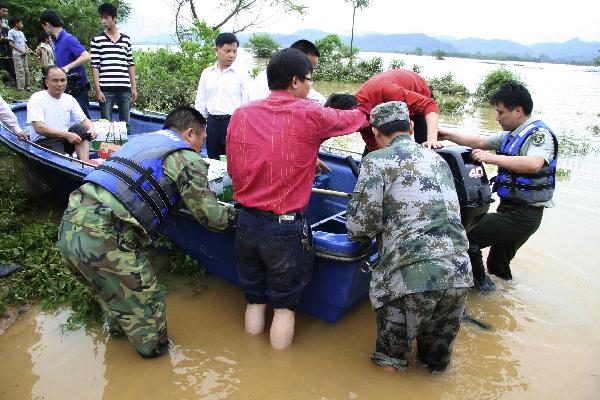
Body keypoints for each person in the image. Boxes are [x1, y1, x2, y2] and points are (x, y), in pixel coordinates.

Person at [57, 106, 238, 358]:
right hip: (105, 237)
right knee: (148, 312)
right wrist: (243, 217)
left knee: (114, 299)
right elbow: (212, 217)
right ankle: (155, 367)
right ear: (190, 134)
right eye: (202, 139)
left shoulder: (142, 140)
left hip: (70, 228)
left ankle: (117, 356)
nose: (201, 147)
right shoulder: (185, 157)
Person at [226, 48, 371, 349]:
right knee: (283, 309)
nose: (310, 87)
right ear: (295, 82)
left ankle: (249, 364)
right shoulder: (311, 113)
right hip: (284, 230)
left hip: (247, 223)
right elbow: (356, 118)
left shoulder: (242, 113)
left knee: (254, 301)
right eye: (309, 80)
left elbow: (240, 161)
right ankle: (278, 374)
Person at [346, 101, 472, 373]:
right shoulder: (438, 160)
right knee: (435, 366)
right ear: (412, 128)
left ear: (377, 134)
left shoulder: (376, 160)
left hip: (410, 276)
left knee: (390, 365)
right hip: (459, 273)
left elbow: (359, 227)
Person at [438, 82, 558, 292]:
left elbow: (534, 163)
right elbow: (480, 142)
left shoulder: (539, 135)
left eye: (501, 112)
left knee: (466, 237)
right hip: (512, 211)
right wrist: (446, 134)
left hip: (523, 216)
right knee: (497, 265)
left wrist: (490, 159)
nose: (497, 118)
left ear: (518, 111)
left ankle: (482, 290)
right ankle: (503, 299)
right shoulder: (511, 135)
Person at [326, 68, 442, 151]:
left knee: (424, 147)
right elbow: (374, 148)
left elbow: (429, 105)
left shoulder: (385, 90)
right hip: (386, 109)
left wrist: (432, 139)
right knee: (371, 157)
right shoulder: (359, 118)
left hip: (418, 95)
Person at [194, 32, 250, 159]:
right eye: (227, 51)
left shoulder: (242, 74)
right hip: (212, 124)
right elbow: (200, 103)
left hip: (233, 124)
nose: (232, 55)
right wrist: (199, 127)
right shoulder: (207, 73)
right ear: (216, 50)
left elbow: (248, 103)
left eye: (235, 51)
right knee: (213, 161)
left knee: (234, 161)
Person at [27, 65, 96, 162]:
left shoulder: (69, 99)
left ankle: (84, 164)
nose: (60, 84)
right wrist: (67, 135)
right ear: (47, 83)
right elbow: (39, 128)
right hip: (45, 140)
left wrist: (91, 129)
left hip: (66, 139)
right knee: (61, 161)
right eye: (55, 80)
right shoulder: (37, 98)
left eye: (63, 80)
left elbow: (84, 120)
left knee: (80, 128)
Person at [91, 3, 137, 126]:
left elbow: (130, 64)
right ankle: (107, 146)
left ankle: (125, 146)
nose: (103, 21)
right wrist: (98, 90)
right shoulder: (97, 39)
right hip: (106, 89)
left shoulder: (126, 39)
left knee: (125, 124)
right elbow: (95, 66)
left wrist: (133, 88)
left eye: (106, 18)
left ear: (114, 18)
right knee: (106, 125)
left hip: (124, 88)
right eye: (101, 18)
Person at [40, 10, 91, 117]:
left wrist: (66, 68)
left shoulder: (68, 38)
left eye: (43, 27)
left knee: (83, 122)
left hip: (77, 89)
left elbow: (86, 56)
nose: (44, 30)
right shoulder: (55, 41)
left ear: (47, 25)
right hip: (64, 88)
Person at [251, 39, 327, 105]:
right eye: (309, 69)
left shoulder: (314, 96)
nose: (310, 74)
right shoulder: (262, 84)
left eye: (312, 69)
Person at [7, 16, 32, 92]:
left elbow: (24, 43)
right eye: (21, 23)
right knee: (20, 70)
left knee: (26, 70)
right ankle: (21, 88)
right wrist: (21, 51)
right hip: (17, 54)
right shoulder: (11, 32)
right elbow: (10, 44)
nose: (22, 24)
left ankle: (28, 87)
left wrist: (27, 49)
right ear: (16, 23)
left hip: (24, 54)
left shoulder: (21, 32)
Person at [0, 4, 15, 86]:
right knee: (1, 63)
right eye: (3, 11)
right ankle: (5, 82)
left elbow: (9, 32)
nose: (5, 13)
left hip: (7, 46)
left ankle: (12, 81)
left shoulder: (6, 22)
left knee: (9, 62)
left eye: (6, 11)